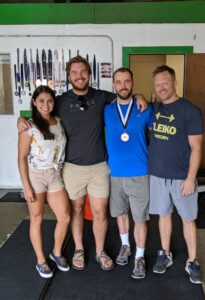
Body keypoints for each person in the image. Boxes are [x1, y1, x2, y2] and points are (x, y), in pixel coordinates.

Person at [18, 55, 147, 272]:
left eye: (83, 71)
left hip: (99, 167)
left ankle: (99, 251)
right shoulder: (59, 101)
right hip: (72, 168)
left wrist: (141, 95)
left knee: (100, 212)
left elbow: (124, 96)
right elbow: (41, 111)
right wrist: (20, 120)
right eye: (75, 72)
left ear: (89, 74)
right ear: (69, 76)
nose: (79, 76)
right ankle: (78, 249)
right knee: (75, 210)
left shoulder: (102, 97)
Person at [149, 65, 204, 284]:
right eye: (157, 84)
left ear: (174, 82)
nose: (161, 88)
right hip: (158, 175)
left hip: (182, 177)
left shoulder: (190, 111)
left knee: (188, 219)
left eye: (164, 83)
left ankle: (192, 261)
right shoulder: (154, 108)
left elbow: (197, 147)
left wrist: (191, 178)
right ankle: (165, 253)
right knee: (163, 216)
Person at [104, 68, 153, 279]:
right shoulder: (105, 110)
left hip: (140, 173)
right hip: (115, 174)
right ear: (113, 85)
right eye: (119, 82)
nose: (123, 86)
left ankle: (140, 256)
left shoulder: (145, 109)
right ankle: (126, 246)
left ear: (132, 83)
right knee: (120, 214)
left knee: (140, 218)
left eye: (127, 81)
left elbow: (159, 136)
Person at [18, 85, 71, 278]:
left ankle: (56, 252)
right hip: (36, 176)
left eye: (49, 100)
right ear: (34, 102)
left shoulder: (59, 121)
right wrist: (26, 186)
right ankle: (41, 260)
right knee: (37, 218)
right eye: (41, 101)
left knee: (65, 216)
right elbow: (21, 158)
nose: (46, 105)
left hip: (55, 174)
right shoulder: (28, 126)